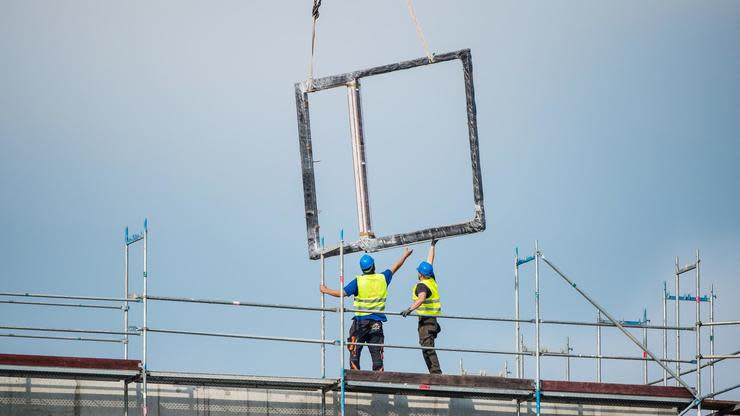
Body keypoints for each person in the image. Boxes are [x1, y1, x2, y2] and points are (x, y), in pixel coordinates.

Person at [320, 248, 413, 371]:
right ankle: (379, 378)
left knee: (354, 350)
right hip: (376, 323)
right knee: (376, 353)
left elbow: (341, 293)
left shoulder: (359, 281)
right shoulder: (382, 278)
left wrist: (325, 290)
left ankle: (355, 375)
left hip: (360, 323)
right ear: (373, 265)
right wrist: (405, 255)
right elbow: (396, 266)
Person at [401, 240, 442, 374]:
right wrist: (432, 245)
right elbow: (430, 262)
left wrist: (409, 309)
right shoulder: (431, 280)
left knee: (427, 347)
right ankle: (434, 372)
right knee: (427, 346)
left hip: (426, 322)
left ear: (421, 274)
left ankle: (436, 373)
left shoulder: (422, 285)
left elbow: (421, 299)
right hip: (433, 321)